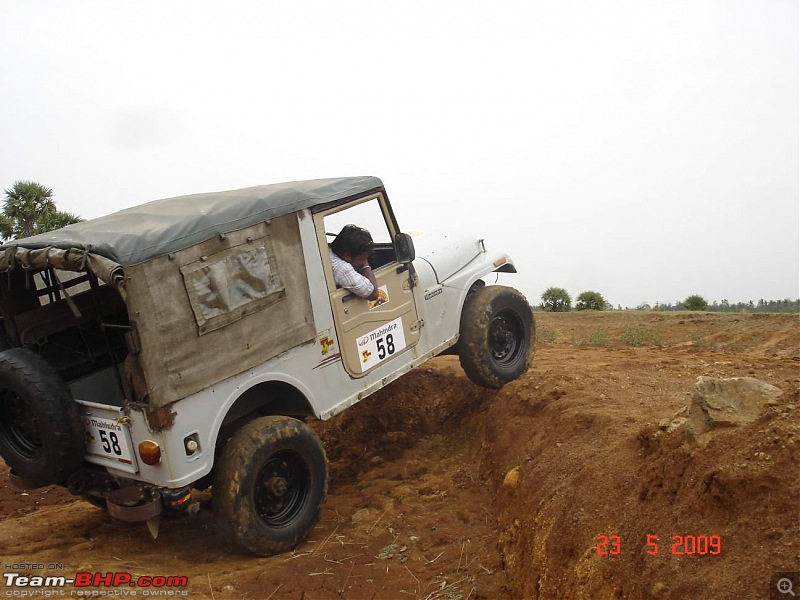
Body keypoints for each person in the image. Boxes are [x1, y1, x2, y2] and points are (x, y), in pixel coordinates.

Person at [329, 224, 380, 301]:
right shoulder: (342, 268)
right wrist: (365, 265)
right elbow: (373, 294)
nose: (364, 261)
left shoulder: (328, 251)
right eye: (363, 259)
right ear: (347, 256)